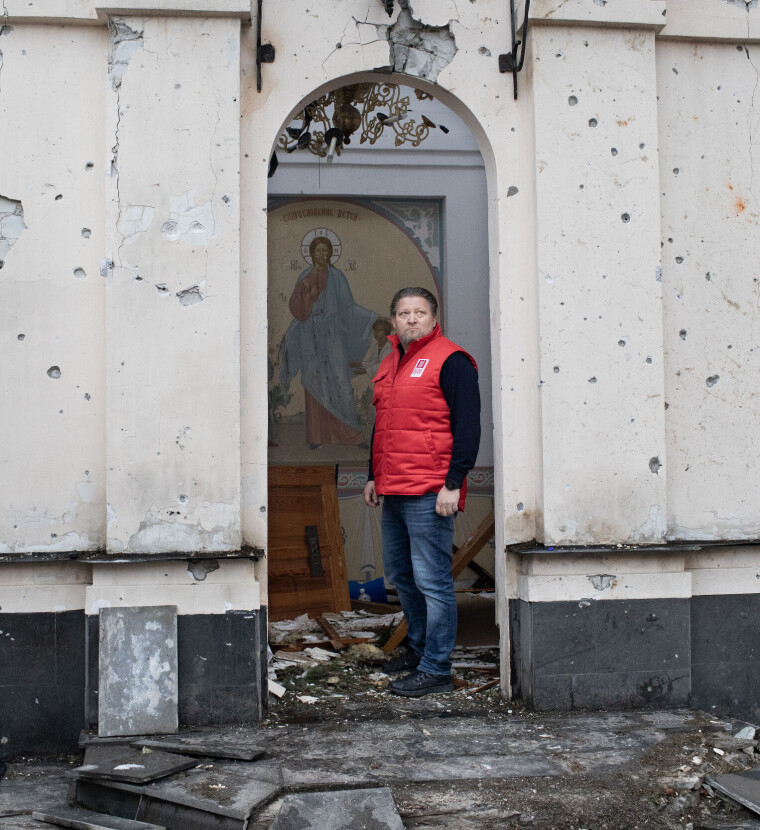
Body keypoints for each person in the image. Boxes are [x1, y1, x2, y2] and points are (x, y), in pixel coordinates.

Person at [363, 287, 480, 697]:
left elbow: (468, 429)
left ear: (434, 318)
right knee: (400, 575)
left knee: (432, 582)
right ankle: (418, 649)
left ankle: (437, 669)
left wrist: (453, 483)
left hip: (431, 490)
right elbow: (384, 425)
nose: (411, 319)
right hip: (394, 488)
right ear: (393, 320)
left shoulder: (452, 361)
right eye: (403, 312)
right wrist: (373, 475)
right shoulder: (392, 361)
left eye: (420, 312)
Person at [279, 236, 376, 448]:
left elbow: (348, 308)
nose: (322, 255)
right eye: (318, 251)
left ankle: (351, 434)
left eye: (325, 251)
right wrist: (309, 298)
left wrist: (371, 318)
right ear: (312, 253)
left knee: (340, 379)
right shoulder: (304, 277)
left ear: (330, 253)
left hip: (333, 333)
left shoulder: (338, 277)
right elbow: (296, 309)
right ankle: (316, 437)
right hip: (310, 334)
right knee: (314, 380)